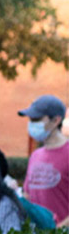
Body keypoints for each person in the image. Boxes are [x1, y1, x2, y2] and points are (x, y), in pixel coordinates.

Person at [18, 94, 69, 226]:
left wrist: (58, 232)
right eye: (31, 119)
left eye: (37, 119)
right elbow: (28, 196)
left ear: (56, 120)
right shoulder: (35, 155)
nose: (32, 124)